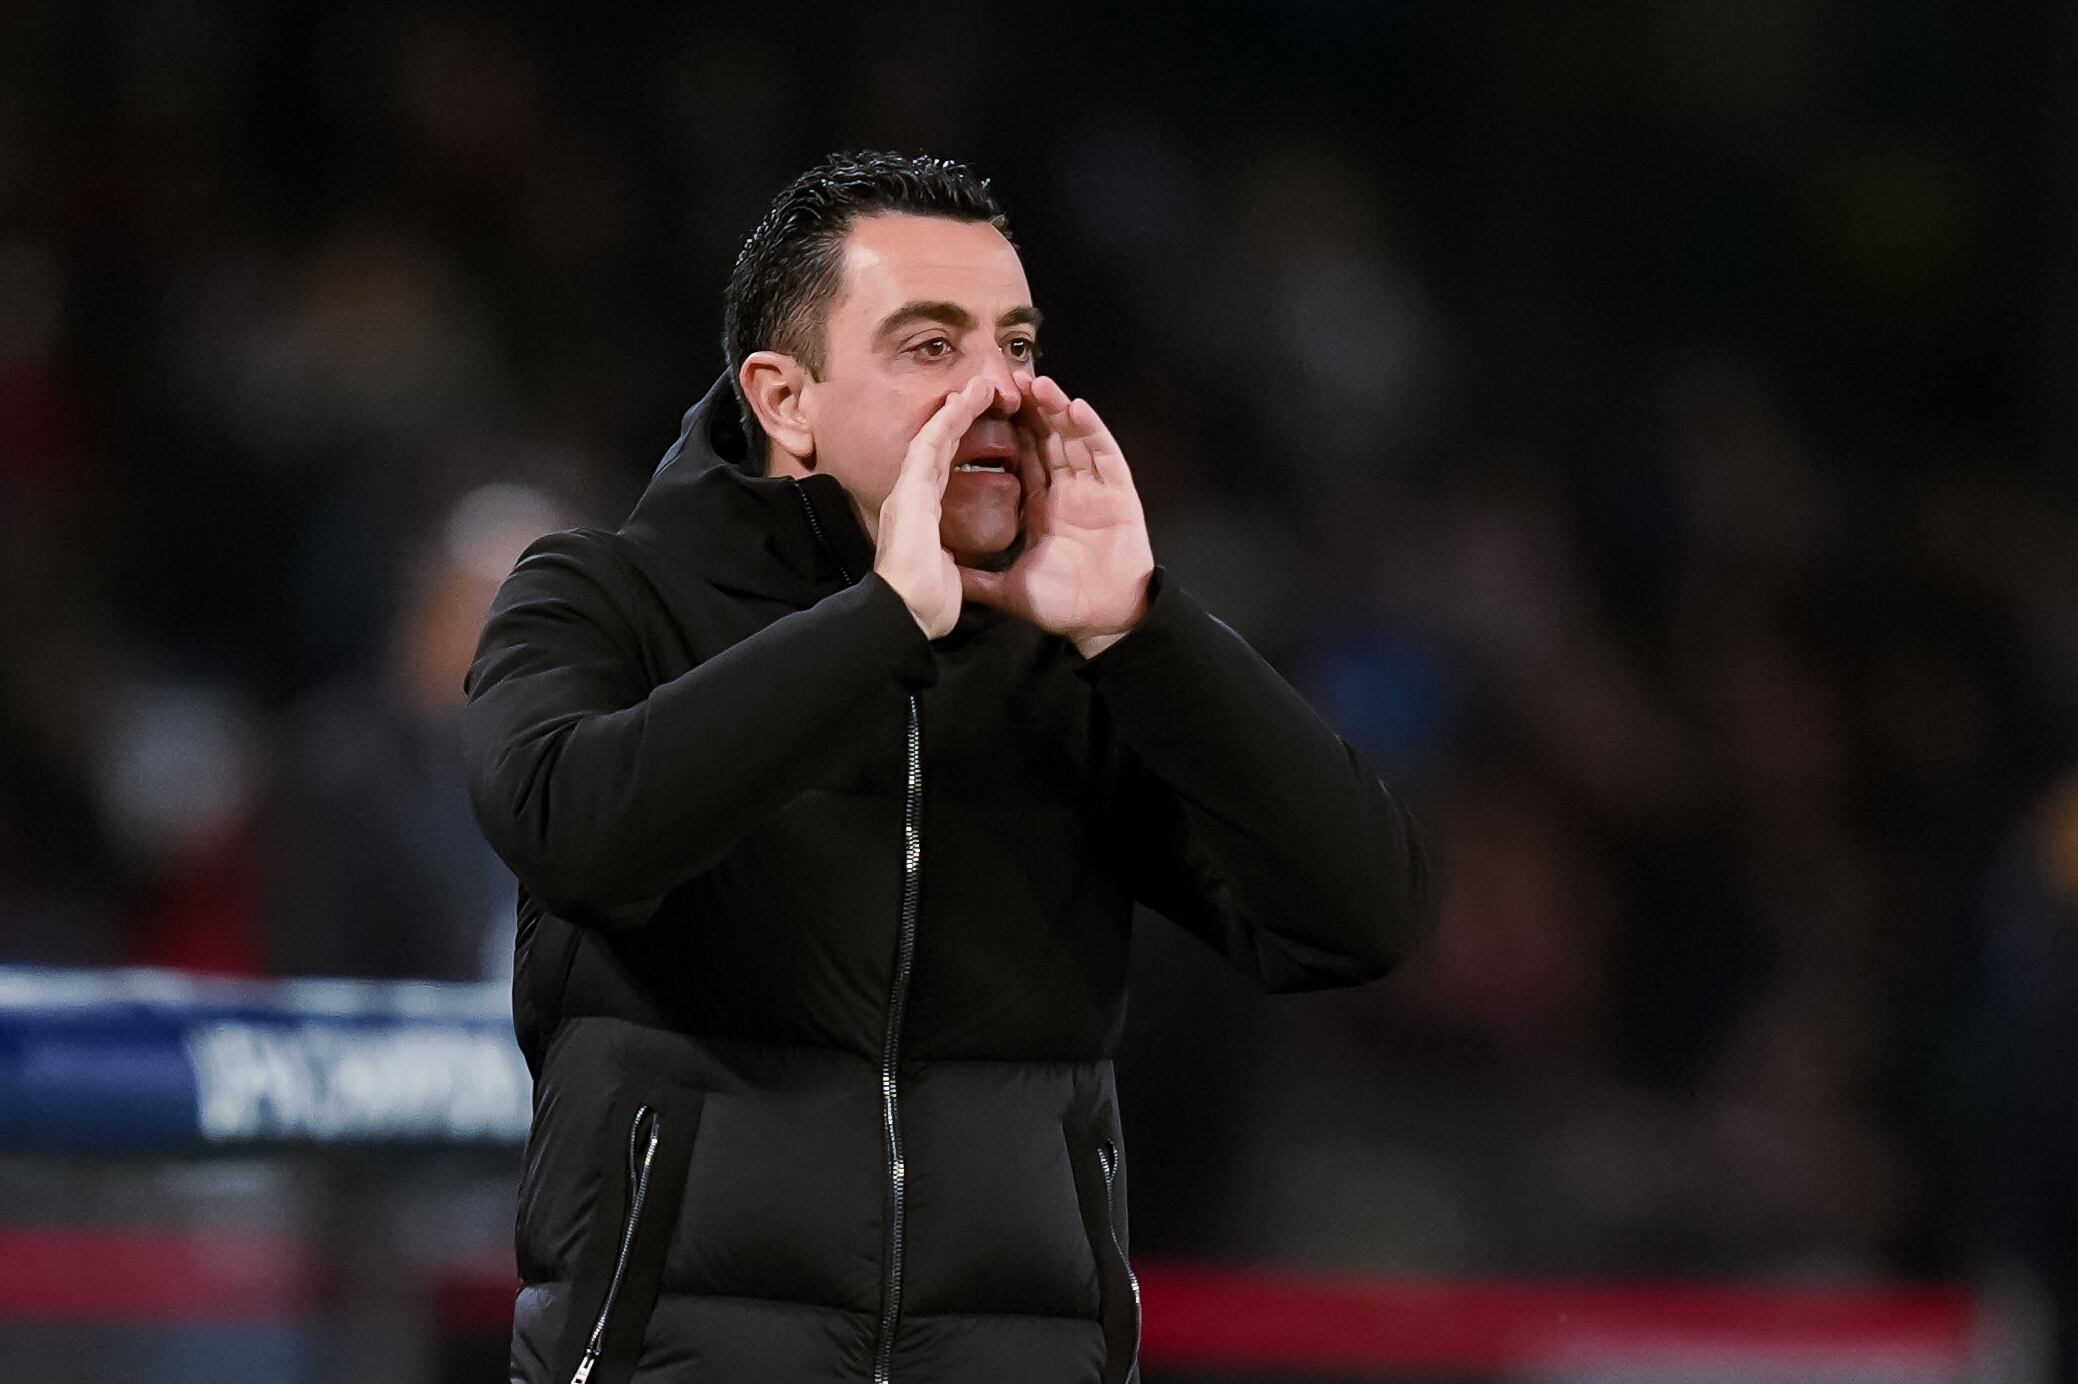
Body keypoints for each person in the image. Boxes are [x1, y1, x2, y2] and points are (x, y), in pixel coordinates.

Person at [461, 150, 1437, 1384]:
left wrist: (1145, 629)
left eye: (1015, 345)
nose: (999, 389)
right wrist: (880, 625)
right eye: (931, 346)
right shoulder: (599, 593)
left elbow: (1361, 917)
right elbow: (574, 829)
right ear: (784, 398)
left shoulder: (1072, 666)